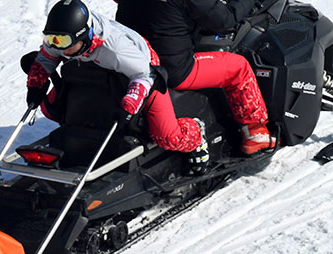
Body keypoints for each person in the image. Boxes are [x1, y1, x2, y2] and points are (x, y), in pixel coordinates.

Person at [26, 0, 210, 173]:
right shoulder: (61, 38)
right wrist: (36, 84)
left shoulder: (116, 49)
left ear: (84, 35)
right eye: (51, 39)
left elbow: (144, 75)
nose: (58, 47)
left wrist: (129, 106)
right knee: (51, 107)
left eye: (63, 42)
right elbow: (47, 57)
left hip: (144, 71)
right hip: (97, 71)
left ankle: (196, 135)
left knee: (167, 135)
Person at [115, 0, 276, 155]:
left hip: (132, 63)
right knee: (238, 67)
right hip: (175, 69)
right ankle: (255, 131)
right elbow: (224, 19)